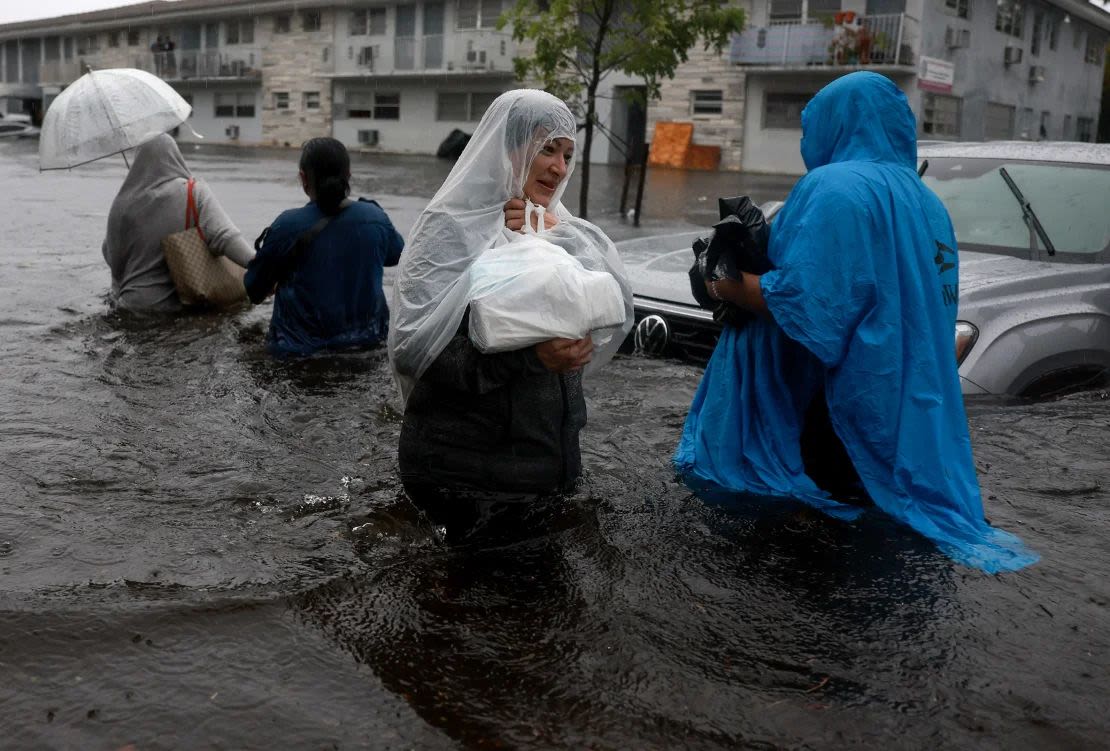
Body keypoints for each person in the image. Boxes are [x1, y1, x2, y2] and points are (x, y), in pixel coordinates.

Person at [674, 72, 1037, 573]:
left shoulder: (831, 187)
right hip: (904, 409)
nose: (806, 141)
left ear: (837, 124)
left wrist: (719, 281)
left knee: (806, 555)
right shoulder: (926, 202)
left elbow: (805, 304)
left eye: (810, 127)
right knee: (882, 546)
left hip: (829, 403)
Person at [388, 89, 632, 528]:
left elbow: (612, 300)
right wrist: (531, 359)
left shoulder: (557, 226)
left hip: (543, 465)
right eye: (547, 150)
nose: (559, 168)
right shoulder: (449, 228)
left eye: (567, 154)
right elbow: (412, 348)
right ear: (508, 147)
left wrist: (551, 235)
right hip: (465, 474)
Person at [244, 137, 404, 357]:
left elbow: (253, 289)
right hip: (369, 347)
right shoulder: (374, 217)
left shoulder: (286, 226)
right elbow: (397, 254)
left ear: (303, 178)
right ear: (348, 175)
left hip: (297, 354)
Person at [102, 133, 254, 313]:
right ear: (175, 156)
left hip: (127, 305)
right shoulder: (192, 192)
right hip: (171, 311)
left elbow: (108, 253)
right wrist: (265, 268)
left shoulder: (121, 204)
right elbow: (225, 237)